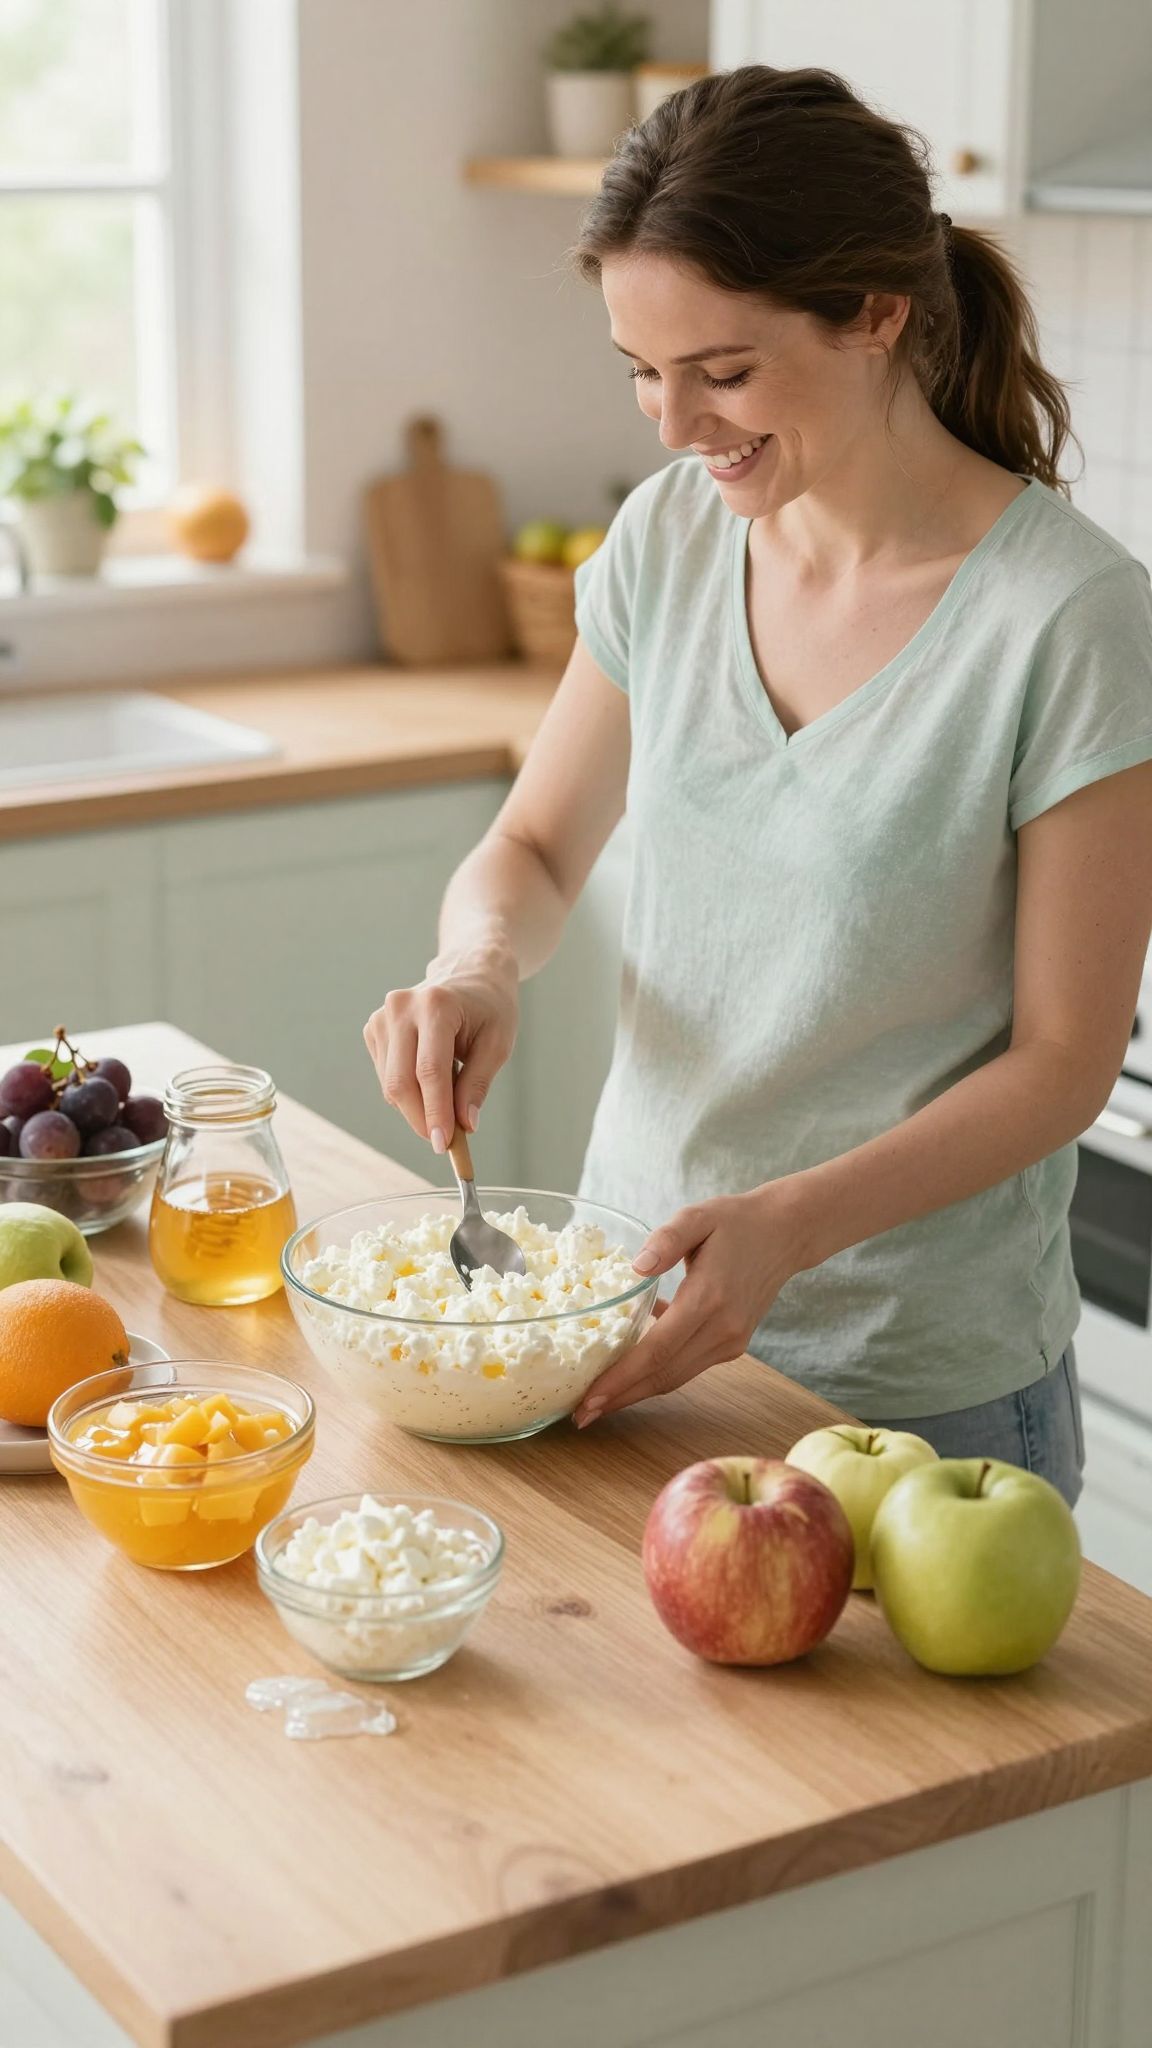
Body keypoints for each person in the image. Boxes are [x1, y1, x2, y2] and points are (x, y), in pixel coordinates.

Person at [364, 67, 1152, 1505]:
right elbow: (537, 845)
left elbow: (1062, 1065)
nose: (673, 426)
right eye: (640, 373)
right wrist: (476, 964)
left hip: (919, 1401)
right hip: (634, 1331)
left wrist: (791, 1226)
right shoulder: (669, 538)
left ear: (876, 314)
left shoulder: (1069, 620)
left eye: (723, 373)